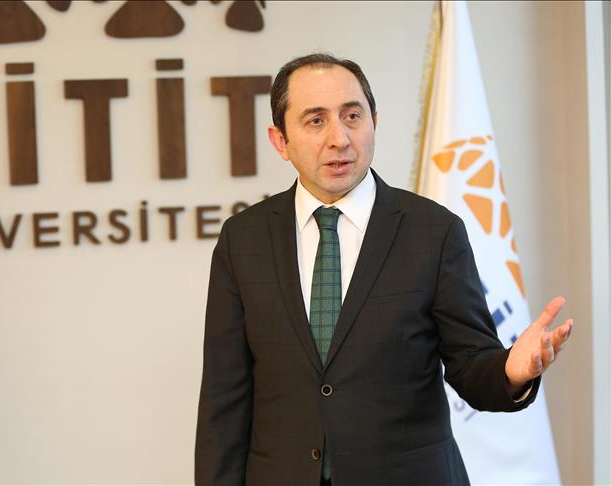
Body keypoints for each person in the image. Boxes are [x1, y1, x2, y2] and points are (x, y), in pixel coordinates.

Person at [194, 53, 573, 486]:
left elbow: (470, 364)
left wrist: (510, 372)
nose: (339, 138)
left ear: (374, 121)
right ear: (280, 141)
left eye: (352, 116)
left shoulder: (434, 232)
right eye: (316, 121)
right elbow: (224, 399)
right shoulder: (243, 240)